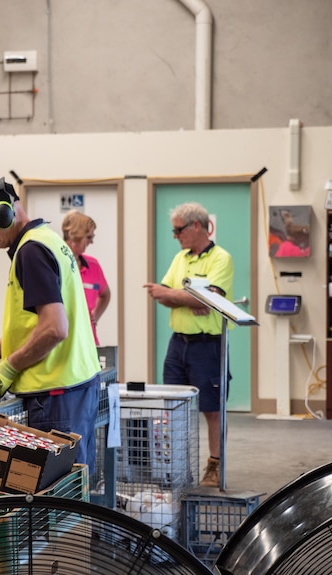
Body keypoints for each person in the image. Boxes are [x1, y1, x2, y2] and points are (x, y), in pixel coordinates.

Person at [0, 177, 102, 471]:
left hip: (57, 393)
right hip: (75, 386)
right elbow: (36, 324)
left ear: (2, 213)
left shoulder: (31, 252)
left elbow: (54, 329)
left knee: (57, 496)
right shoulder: (48, 240)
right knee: (75, 486)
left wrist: (9, 366)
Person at [143, 202, 234, 488]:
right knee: (173, 406)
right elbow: (160, 294)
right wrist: (193, 296)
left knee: (212, 408)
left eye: (178, 229)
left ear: (197, 226)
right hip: (177, 344)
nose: (175, 235)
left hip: (208, 345)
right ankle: (177, 465)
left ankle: (215, 465)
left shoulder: (221, 259)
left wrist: (188, 296)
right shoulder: (181, 257)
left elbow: (209, 300)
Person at [60, 211, 111, 345]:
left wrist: (95, 317)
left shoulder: (93, 265)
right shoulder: (56, 262)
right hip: (64, 342)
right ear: (75, 235)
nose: (92, 242)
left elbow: (105, 294)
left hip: (89, 341)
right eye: (88, 237)